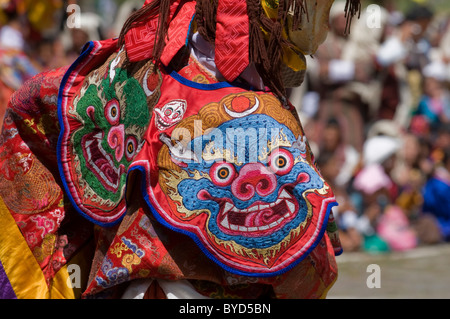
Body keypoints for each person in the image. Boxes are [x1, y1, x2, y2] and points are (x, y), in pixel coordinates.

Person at [0, 0, 362, 299]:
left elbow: (31, 105)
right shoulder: (266, 117)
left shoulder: (136, 72)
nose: (323, 27)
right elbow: (307, 269)